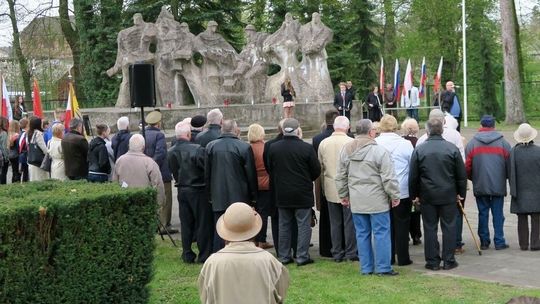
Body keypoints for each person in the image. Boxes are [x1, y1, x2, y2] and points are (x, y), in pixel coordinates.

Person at [336, 119, 400, 276]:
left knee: (362, 233)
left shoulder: (346, 150)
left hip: (357, 198)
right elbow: (388, 177)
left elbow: (340, 175)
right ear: (371, 132)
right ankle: (383, 267)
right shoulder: (379, 151)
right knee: (381, 233)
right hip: (377, 199)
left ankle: (366, 267)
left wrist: (343, 194)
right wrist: (394, 195)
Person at [198, 202, 289, 304]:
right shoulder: (269, 260)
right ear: (255, 230)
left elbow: (205, 297)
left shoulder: (212, 263)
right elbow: (280, 294)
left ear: (225, 232)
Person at [409, 118, 467, 271]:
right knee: (449, 227)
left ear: (427, 131)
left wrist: (413, 194)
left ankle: (432, 261)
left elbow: (413, 176)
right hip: (448, 194)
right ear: (441, 130)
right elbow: (461, 174)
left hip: (427, 195)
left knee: (429, 228)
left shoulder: (419, 149)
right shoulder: (452, 148)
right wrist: (461, 193)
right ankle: (449, 259)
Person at [267, 118, 321, 266]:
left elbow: (269, 169)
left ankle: (284, 256)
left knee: (284, 224)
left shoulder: (273, 148)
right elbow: (316, 170)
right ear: (297, 130)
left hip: (282, 192)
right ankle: (302, 256)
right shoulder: (306, 148)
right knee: (303, 224)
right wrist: (305, 178)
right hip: (302, 192)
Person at [206, 119, 258, 252]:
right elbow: (251, 174)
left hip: (218, 194)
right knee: (240, 226)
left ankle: (218, 254)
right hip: (239, 195)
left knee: (219, 226)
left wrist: (210, 195)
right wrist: (253, 198)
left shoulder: (211, 146)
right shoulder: (243, 147)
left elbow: (207, 174)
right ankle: (240, 252)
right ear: (235, 130)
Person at [168, 122, 213, 263]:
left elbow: (174, 171)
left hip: (182, 188)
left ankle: (187, 253)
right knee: (202, 222)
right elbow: (206, 170)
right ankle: (204, 254)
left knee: (186, 223)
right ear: (188, 134)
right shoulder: (198, 149)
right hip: (198, 188)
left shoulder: (171, 151)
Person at [465, 115, 511, 250]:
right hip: (498, 184)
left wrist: (473, 178)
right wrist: (505, 178)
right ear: (493, 126)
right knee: (498, 213)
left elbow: (467, 166)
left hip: (480, 183)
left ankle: (484, 241)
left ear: (481, 125)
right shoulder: (504, 143)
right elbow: (509, 165)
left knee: (482, 213)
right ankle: (499, 241)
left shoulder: (472, 143)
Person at [375, 114, 414, 266]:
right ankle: (403, 257)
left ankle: (388, 256)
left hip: (381, 190)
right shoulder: (405, 144)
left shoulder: (375, 143)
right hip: (401, 189)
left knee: (384, 226)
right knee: (402, 224)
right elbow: (412, 167)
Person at [318, 116, 357, 262]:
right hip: (348, 186)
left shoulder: (324, 143)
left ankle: (337, 252)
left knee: (335, 222)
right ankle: (351, 252)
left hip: (330, 186)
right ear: (347, 127)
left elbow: (320, 166)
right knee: (349, 222)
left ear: (334, 127)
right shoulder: (351, 142)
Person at [312, 109, 339, 257]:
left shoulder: (317, 139)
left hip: (323, 180)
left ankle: (325, 247)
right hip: (341, 181)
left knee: (326, 216)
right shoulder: (347, 136)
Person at [509, 123, 540, 251]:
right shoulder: (538, 151)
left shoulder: (513, 152)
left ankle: (523, 244)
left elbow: (509, 171)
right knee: (536, 219)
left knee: (521, 219)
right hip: (536, 190)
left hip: (519, 190)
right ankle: (535, 244)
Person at [144, 111, 175, 234]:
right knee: (165, 199)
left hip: (146, 171)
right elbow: (160, 153)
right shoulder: (159, 135)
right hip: (161, 172)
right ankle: (164, 225)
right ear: (158, 123)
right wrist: (153, 166)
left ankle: (155, 223)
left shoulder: (143, 134)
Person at [113, 134, 165, 206]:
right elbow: (158, 185)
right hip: (144, 203)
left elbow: (115, 182)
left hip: (125, 201)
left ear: (129, 146)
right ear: (143, 147)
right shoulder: (149, 162)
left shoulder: (120, 161)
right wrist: (159, 204)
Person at [248, 123, 277, 249]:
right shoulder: (265, 147)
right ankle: (262, 240)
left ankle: (254, 238)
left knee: (254, 212)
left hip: (253, 184)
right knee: (264, 213)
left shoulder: (248, 148)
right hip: (266, 183)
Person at [401, 118, 421, 245]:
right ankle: (416, 234)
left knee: (405, 210)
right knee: (415, 210)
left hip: (404, 179)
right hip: (415, 179)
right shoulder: (419, 142)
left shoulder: (402, 142)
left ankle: (406, 234)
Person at [26, 116, 49, 181]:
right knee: (40, 180)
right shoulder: (38, 134)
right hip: (39, 162)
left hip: (31, 160)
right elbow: (44, 149)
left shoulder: (29, 133)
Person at [18, 118, 29, 182]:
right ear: (27, 125)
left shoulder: (20, 133)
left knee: (23, 172)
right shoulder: (25, 134)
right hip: (24, 155)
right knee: (25, 172)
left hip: (21, 155)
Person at [0, 117, 9, 184]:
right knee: (3, 173)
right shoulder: (3, 134)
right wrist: (6, 158)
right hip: (2, 157)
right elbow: (4, 147)